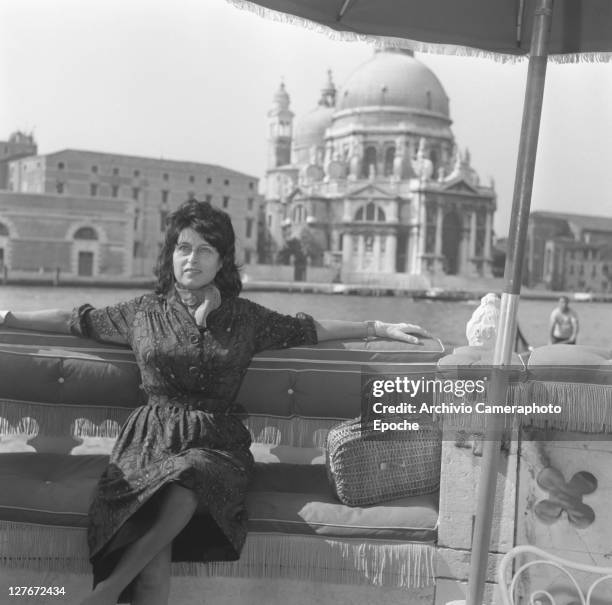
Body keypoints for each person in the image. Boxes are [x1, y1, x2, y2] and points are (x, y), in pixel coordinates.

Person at [0, 199, 431, 605]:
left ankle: (109, 590)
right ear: (170, 255)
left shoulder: (245, 318)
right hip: (148, 442)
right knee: (155, 531)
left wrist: (377, 325)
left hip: (217, 444)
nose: (192, 259)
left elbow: (308, 328)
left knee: (189, 475)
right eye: (183, 248)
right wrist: (7, 316)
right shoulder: (142, 312)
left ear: (222, 261)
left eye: (205, 250)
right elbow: (76, 319)